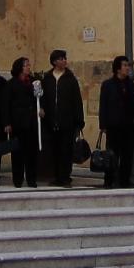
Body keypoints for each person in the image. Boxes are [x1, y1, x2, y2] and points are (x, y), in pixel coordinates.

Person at [97, 56, 134, 189]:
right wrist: (103, 125)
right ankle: (109, 180)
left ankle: (125, 180)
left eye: (128, 65)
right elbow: (103, 106)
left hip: (129, 126)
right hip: (113, 126)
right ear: (118, 68)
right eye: (125, 65)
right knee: (112, 154)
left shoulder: (131, 85)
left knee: (127, 154)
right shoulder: (108, 85)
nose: (127, 68)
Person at [41, 49, 85, 186]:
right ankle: (56, 176)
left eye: (65, 58)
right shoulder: (47, 78)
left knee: (66, 150)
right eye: (61, 59)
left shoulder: (70, 79)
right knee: (53, 150)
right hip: (51, 120)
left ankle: (65, 176)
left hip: (67, 120)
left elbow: (77, 101)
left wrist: (79, 121)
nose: (64, 61)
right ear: (54, 61)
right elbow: (42, 97)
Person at [6, 57, 45, 187]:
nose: (29, 67)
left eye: (29, 65)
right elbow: (6, 105)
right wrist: (7, 123)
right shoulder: (11, 84)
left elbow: (40, 99)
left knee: (31, 153)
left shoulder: (35, 83)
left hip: (32, 122)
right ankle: (17, 179)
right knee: (17, 152)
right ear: (19, 68)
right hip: (17, 122)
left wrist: (41, 109)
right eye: (26, 65)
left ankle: (31, 179)